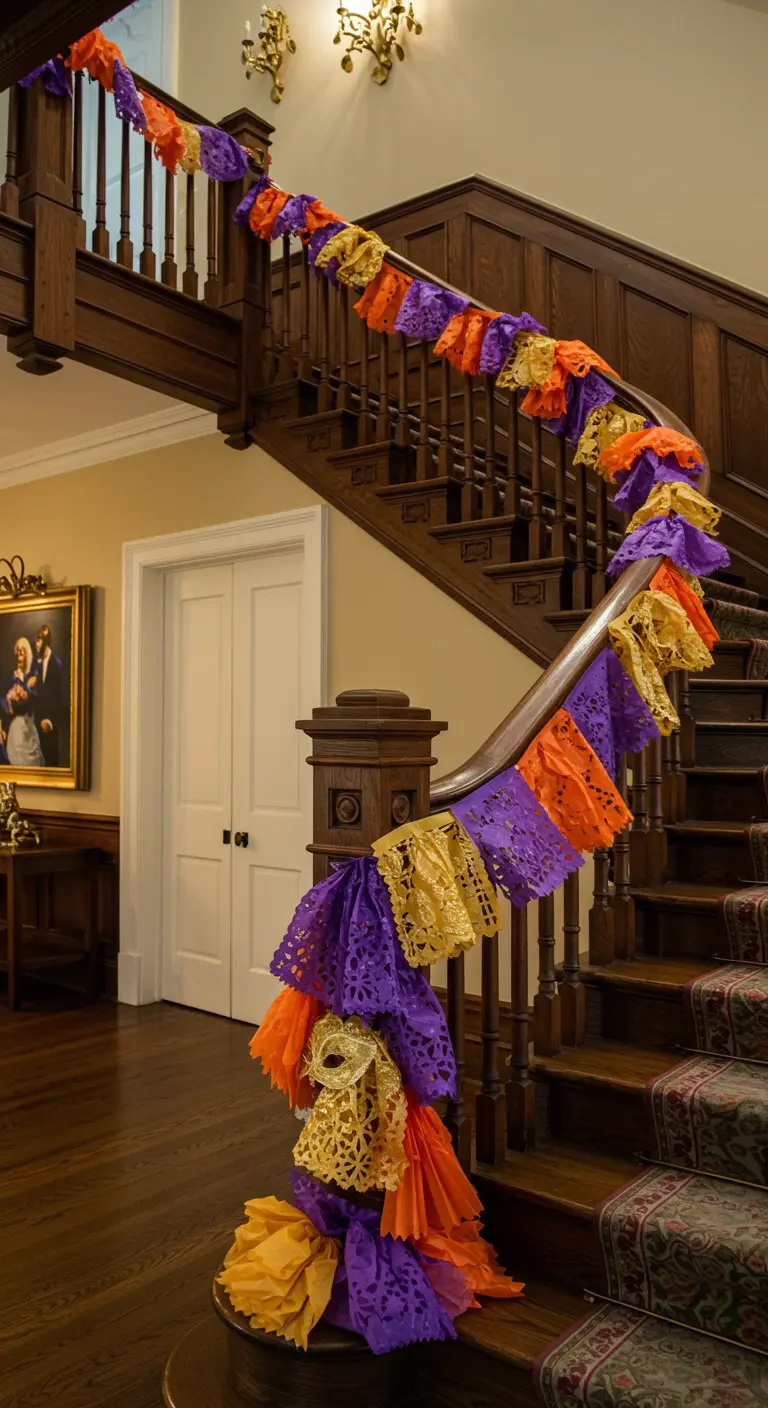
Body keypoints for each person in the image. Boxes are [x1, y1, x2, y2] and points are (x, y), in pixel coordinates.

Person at [4, 637, 44, 768]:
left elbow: (36, 697)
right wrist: (10, 701)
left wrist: (25, 692)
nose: (20, 654)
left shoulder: (32, 675)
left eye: (22, 651)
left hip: (29, 722)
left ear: (27, 653)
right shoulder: (13, 676)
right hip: (15, 723)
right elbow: (4, 698)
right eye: (18, 651)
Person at [33, 623, 65, 767]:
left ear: (46, 641)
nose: (36, 643)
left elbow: (61, 697)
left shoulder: (58, 665)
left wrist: (50, 721)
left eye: (39, 639)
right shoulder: (37, 665)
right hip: (37, 725)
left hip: (51, 727)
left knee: (51, 763)